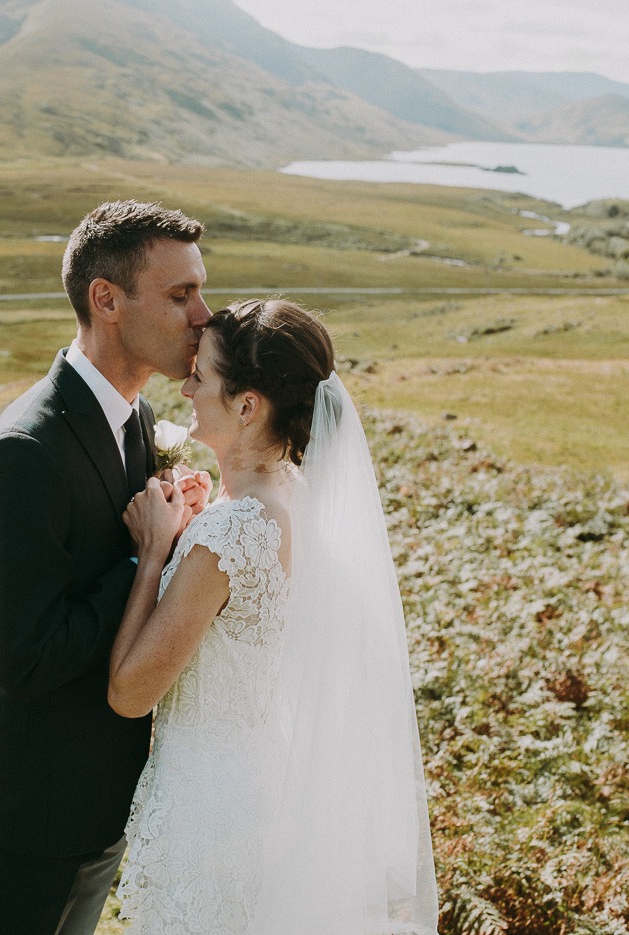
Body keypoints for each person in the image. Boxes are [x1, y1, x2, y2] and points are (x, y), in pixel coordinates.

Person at [110, 299, 439, 934]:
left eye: (201, 376)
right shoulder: (294, 498)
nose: (185, 386)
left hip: (209, 811)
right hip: (269, 785)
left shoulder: (231, 533)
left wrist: (155, 552)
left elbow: (130, 692)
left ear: (246, 406)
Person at [0, 200, 215, 935]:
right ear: (107, 300)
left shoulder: (137, 420)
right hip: (35, 798)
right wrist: (144, 555)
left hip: (102, 791)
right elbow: (26, 657)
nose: (203, 316)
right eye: (181, 294)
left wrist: (177, 525)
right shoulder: (24, 451)